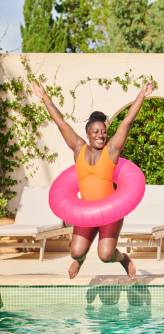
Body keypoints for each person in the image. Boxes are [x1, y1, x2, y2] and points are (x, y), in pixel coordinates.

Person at [32, 81, 154, 279]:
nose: (101, 135)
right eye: (96, 132)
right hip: (86, 212)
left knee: (105, 255)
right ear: (88, 133)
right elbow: (61, 122)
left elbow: (127, 122)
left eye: (104, 131)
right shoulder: (78, 148)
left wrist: (141, 94)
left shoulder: (112, 150)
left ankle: (123, 259)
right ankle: (79, 262)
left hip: (110, 212)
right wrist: (44, 97)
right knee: (76, 252)